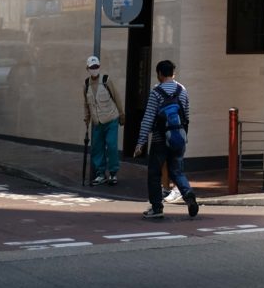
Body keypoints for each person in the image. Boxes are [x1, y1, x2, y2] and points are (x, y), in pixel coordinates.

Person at [133, 59, 199, 219]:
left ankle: (157, 208)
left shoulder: (156, 92)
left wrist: (140, 142)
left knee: (154, 173)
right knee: (177, 170)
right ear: (173, 73)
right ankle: (188, 193)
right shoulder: (182, 90)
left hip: (159, 139)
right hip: (178, 137)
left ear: (160, 74)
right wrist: (183, 137)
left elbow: (148, 118)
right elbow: (187, 116)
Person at [83, 55, 126, 185]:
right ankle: (101, 174)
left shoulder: (106, 80)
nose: (94, 69)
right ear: (87, 68)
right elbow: (86, 104)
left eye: (96, 67)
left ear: (99, 67)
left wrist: (122, 114)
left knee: (111, 146)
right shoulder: (86, 84)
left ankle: (113, 173)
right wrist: (87, 119)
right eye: (92, 67)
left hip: (111, 119)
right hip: (97, 122)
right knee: (97, 148)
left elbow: (117, 97)